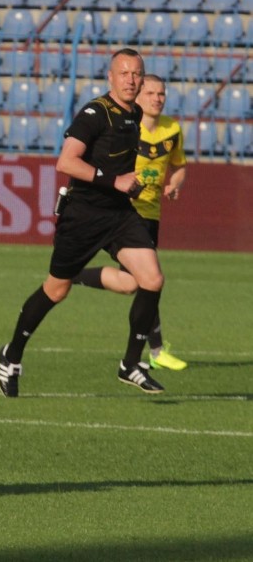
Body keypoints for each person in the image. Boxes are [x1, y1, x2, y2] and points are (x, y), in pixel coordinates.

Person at [0, 48, 166, 397]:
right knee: (55, 290)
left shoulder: (134, 113)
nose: (131, 80)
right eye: (124, 73)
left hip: (119, 214)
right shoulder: (94, 112)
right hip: (83, 217)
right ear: (111, 77)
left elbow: (116, 167)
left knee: (149, 279)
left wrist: (127, 184)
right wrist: (113, 180)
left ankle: (130, 364)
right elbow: (66, 162)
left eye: (137, 74)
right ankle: (11, 353)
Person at [72, 74, 188, 371]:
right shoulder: (124, 127)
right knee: (151, 281)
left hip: (150, 213)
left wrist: (175, 183)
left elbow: (178, 165)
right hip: (122, 212)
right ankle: (157, 351)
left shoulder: (172, 129)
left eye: (161, 93)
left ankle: (74, 274)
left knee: (131, 284)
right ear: (137, 96)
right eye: (151, 93)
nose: (157, 98)